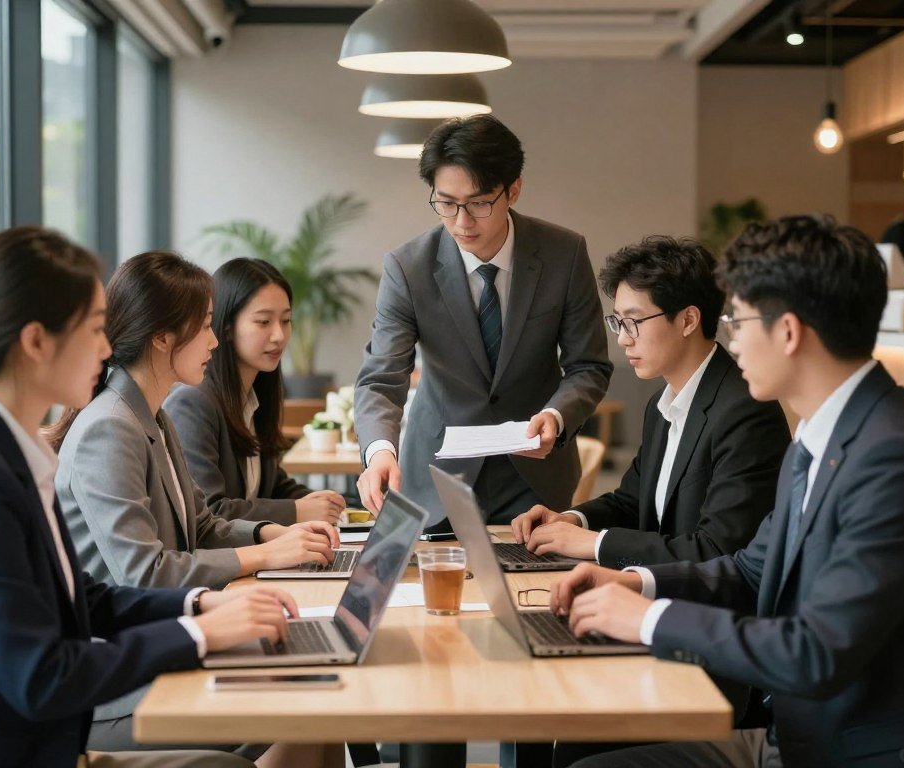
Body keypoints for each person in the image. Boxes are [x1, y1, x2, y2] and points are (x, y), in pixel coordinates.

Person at [0, 226, 302, 768]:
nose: (108, 345)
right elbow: (42, 676)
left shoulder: (8, 453)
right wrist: (198, 633)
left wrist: (200, 604)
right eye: (96, 329)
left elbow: (85, 599)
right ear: (35, 342)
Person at [552, 215, 904, 767]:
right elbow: (751, 570)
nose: (729, 337)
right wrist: (633, 581)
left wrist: (649, 620)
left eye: (738, 320)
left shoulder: (896, 456)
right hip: (797, 733)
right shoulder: (823, 433)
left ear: (788, 331)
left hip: (849, 750)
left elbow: (817, 652)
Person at [51, 251, 340, 760]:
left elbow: (201, 524)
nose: (213, 341)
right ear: (163, 337)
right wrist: (263, 556)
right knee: (309, 695)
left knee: (313, 687)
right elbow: (144, 571)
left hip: (159, 644)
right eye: (206, 327)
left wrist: (269, 537)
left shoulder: (153, 417)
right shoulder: (110, 428)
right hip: (116, 688)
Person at [354, 114, 613, 528]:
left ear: (513, 190)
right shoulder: (408, 267)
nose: (461, 221)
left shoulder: (563, 255)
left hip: (535, 476)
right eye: (446, 203)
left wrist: (558, 416)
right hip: (436, 476)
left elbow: (589, 366)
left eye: (478, 203)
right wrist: (380, 450)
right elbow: (382, 376)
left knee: (534, 591)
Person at [512, 236, 789, 569]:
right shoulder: (661, 404)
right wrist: (571, 521)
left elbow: (717, 550)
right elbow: (632, 502)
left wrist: (595, 543)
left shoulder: (744, 411)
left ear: (688, 320)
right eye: (617, 321)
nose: (623, 338)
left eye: (634, 322)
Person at [165, 257, 345, 527]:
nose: (279, 336)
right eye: (263, 322)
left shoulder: (254, 397)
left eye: (285, 321)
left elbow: (270, 486)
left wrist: (327, 504)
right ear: (226, 327)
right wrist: (297, 511)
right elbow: (209, 512)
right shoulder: (192, 404)